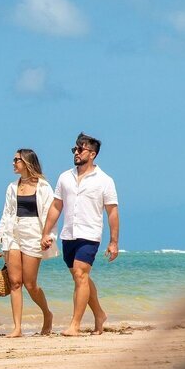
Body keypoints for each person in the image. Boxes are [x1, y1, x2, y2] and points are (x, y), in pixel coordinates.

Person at [41, 132, 119, 336]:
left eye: (80, 149)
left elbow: (112, 211)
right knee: (80, 278)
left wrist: (113, 241)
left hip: (90, 234)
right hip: (69, 234)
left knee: (80, 274)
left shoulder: (105, 180)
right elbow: (57, 206)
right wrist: (46, 232)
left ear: (92, 154)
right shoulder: (65, 177)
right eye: (74, 149)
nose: (76, 152)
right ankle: (100, 314)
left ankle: (74, 325)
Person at [0, 149, 58, 337]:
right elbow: (6, 214)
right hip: (12, 234)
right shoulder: (12, 187)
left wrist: (49, 236)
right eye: (13, 160)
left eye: (16, 160)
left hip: (34, 235)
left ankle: (47, 314)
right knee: (15, 282)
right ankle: (17, 328)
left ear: (28, 162)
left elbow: (50, 214)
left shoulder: (44, 187)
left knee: (30, 284)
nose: (13, 163)